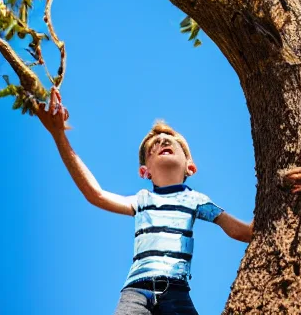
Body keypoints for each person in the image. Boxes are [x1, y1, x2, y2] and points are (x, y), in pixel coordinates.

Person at [36, 88, 253, 315]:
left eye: (169, 141)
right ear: (144, 171)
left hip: (177, 290)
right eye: (153, 147)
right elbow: (95, 194)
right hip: (135, 292)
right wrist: (59, 135)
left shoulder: (196, 200)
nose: (161, 141)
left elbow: (238, 229)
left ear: (190, 165)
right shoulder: (142, 200)